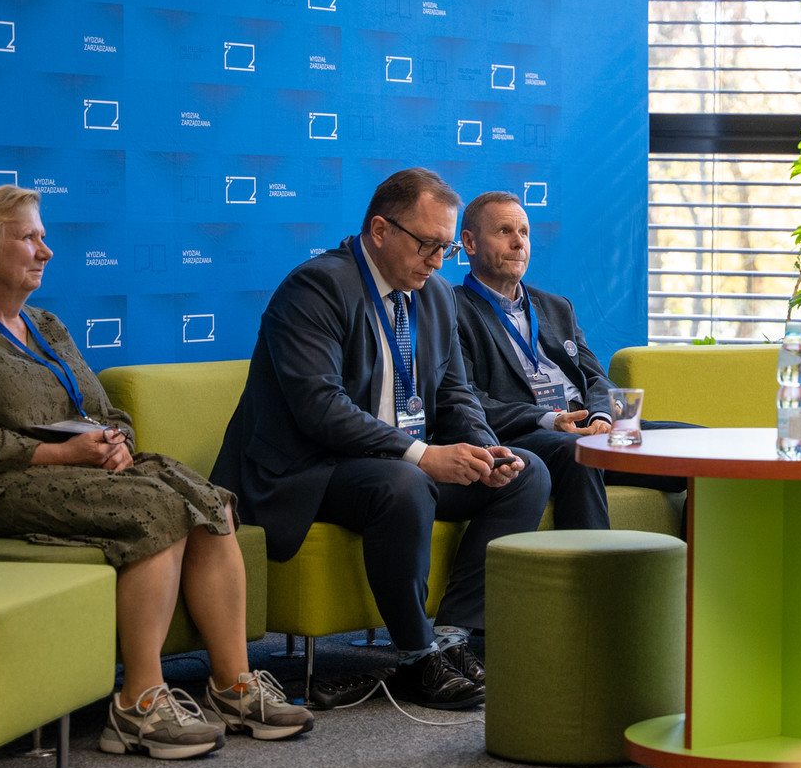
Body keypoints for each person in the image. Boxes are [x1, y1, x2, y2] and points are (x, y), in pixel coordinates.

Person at [0, 186, 312, 759]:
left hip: (81, 471)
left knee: (209, 499)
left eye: (43, 237)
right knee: (154, 509)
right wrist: (67, 454)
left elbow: (104, 411)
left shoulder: (46, 325)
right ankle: (137, 706)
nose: (46, 251)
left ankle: (234, 687)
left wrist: (116, 445)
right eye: (29, 238)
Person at [211, 169, 549, 711]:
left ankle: (451, 638)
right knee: (405, 483)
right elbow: (320, 408)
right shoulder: (316, 287)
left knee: (526, 473)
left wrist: (486, 448)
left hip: (395, 463)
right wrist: (422, 455)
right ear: (380, 230)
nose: (437, 262)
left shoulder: (436, 297)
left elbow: (455, 394)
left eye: (445, 249)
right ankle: (415, 655)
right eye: (427, 245)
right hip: (310, 469)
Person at [452, 191, 689, 530]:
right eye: (504, 231)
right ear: (469, 242)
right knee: (578, 451)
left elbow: (595, 377)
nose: (519, 243)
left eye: (524, 232)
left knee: (702, 446)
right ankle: (593, 565)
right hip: (528, 435)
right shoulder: (451, 309)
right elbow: (467, 397)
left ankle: (701, 562)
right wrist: (549, 419)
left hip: (591, 427)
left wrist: (603, 416)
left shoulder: (556, 307)